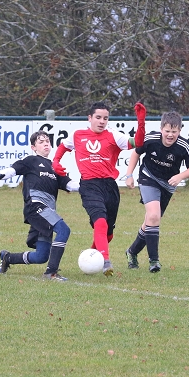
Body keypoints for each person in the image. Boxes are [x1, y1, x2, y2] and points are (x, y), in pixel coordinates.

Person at [51, 101, 145, 276]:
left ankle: (90, 257)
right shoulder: (77, 135)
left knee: (108, 235)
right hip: (89, 186)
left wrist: (141, 121)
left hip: (110, 187)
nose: (102, 121)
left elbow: (138, 143)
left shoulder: (114, 136)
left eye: (105, 118)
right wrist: (55, 162)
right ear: (90, 118)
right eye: (98, 117)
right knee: (100, 222)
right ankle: (105, 262)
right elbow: (63, 147)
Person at [0, 130, 79, 281]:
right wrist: (2, 175)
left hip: (47, 211)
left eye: (47, 141)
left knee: (41, 256)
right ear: (33, 147)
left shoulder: (54, 166)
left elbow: (70, 185)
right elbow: (14, 169)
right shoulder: (31, 160)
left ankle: (7, 257)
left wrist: (89, 185)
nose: (46, 144)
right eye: (41, 141)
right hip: (36, 206)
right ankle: (51, 273)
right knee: (63, 230)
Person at [123, 108, 189, 272]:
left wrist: (180, 176)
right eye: (167, 131)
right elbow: (136, 153)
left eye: (174, 131)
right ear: (161, 129)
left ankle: (132, 252)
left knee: (151, 221)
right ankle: (154, 261)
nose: (170, 135)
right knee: (153, 216)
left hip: (168, 185)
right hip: (148, 177)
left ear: (179, 131)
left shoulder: (184, 146)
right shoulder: (150, 139)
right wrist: (129, 175)